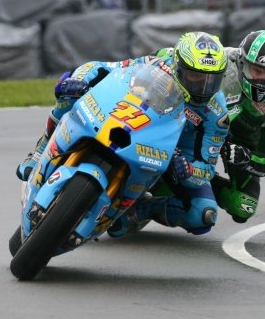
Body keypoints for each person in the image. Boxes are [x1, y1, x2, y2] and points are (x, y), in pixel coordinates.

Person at [16, 31, 229, 236]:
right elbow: (105, 69)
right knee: (67, 92)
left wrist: (188, 170)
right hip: (137, 124)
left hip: (175, 156)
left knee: (204, 215)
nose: (203, 86)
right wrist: (80, 81)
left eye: (212, 80)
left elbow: (207, 168)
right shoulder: (160, 62)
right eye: (195, 77)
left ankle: (139, 210)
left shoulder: (218, 113)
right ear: (178, 66)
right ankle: (41, 150)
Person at [213, 30, 265, 223]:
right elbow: (173, 57)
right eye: (256, 71)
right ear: (242, 63)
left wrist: (245, 159)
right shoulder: (222, 62)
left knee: (244, 206)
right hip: (203, 122)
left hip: (241, 139)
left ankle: (205, 184)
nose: (262, 79)